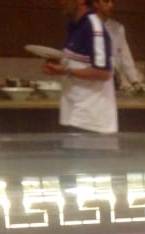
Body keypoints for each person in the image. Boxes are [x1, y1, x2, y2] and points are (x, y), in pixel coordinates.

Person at [42, 0, 117, 134]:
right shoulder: (74, 25)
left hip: (91, 121)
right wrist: (58, 65)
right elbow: (78, 62)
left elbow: (104, 73)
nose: (61, 2)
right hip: (74, 113)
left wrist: (66, 71)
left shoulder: (94, 26)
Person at [93, 0, 144, 92]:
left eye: (112, 2)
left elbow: (125, 57)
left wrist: (135, 81)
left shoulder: (118, 28)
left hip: (111, 81)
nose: (110, 5)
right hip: (91, 81)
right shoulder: (86, 26)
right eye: (106, 1)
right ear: (96, 3)